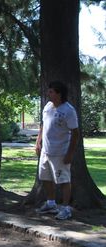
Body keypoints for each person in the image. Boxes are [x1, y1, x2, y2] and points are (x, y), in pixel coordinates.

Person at [35, 81, 79, 220]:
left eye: (51, 91)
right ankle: (51, 203)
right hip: (46, 151)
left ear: (59, 94)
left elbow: (75, 133)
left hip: (60, 152)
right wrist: (38, 141)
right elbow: (43, 125)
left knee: (64, 180)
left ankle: (66, 208)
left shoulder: (68, 110)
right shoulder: (48, 106)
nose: (48, 93)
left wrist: (70, 154)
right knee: (45, 178)